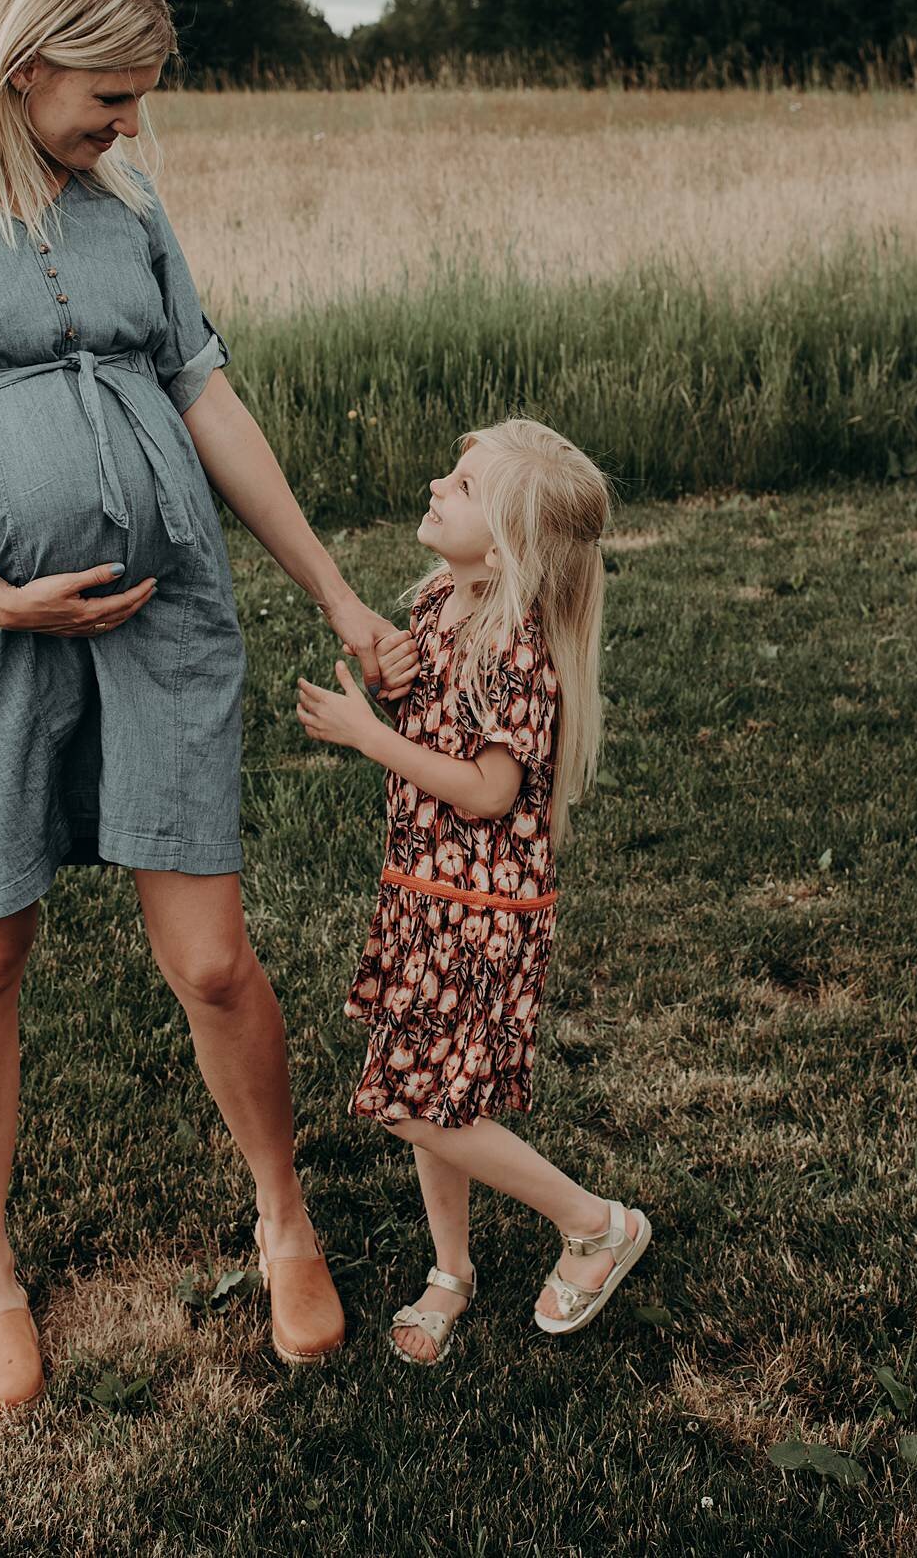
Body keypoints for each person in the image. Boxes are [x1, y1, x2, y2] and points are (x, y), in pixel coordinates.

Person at [0, 0, 417, 1406]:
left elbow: (200, 388)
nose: (130, 123)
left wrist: (333, 589)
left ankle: (286, 1217)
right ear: (21, 68)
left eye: (139, 96)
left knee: (211, 953)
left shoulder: (125, 200)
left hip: (165, 613)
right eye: (110, 94)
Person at [295, 417, 651, 1366]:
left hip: (480, 911)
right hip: (425, 889)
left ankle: (594, 1223)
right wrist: (395, 675)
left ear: (501, 545)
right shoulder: (443, 598)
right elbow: (443, 728)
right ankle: (450, 1269)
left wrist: (370, 734)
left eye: (461, 483)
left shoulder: (515, 647)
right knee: (427, 1083)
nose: (437, 486)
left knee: (416, 1100)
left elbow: (491, 791)